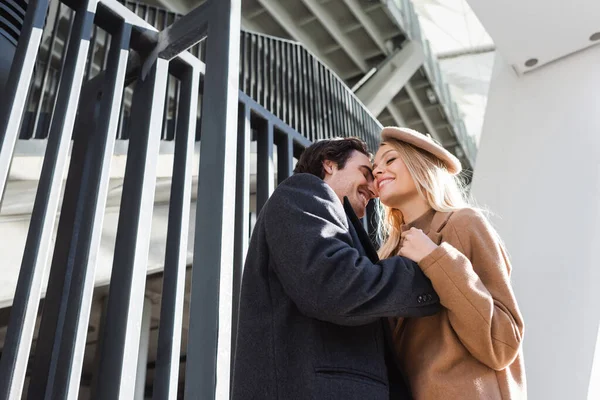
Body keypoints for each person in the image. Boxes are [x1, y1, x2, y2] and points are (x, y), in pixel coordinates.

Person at [232, 137, 441, 400]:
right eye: (365, 173)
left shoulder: (335, 221)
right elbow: (334, 285)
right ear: (329, 164)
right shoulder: (304, 190)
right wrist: (430, 270)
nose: (374, 189)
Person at [372, 127, 526, 399]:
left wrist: (435, 258)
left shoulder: (463, 224)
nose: (377, 170)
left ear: (419, 164)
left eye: (390, 159)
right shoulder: (388, 254)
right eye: (374, 166)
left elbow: (502, 342)